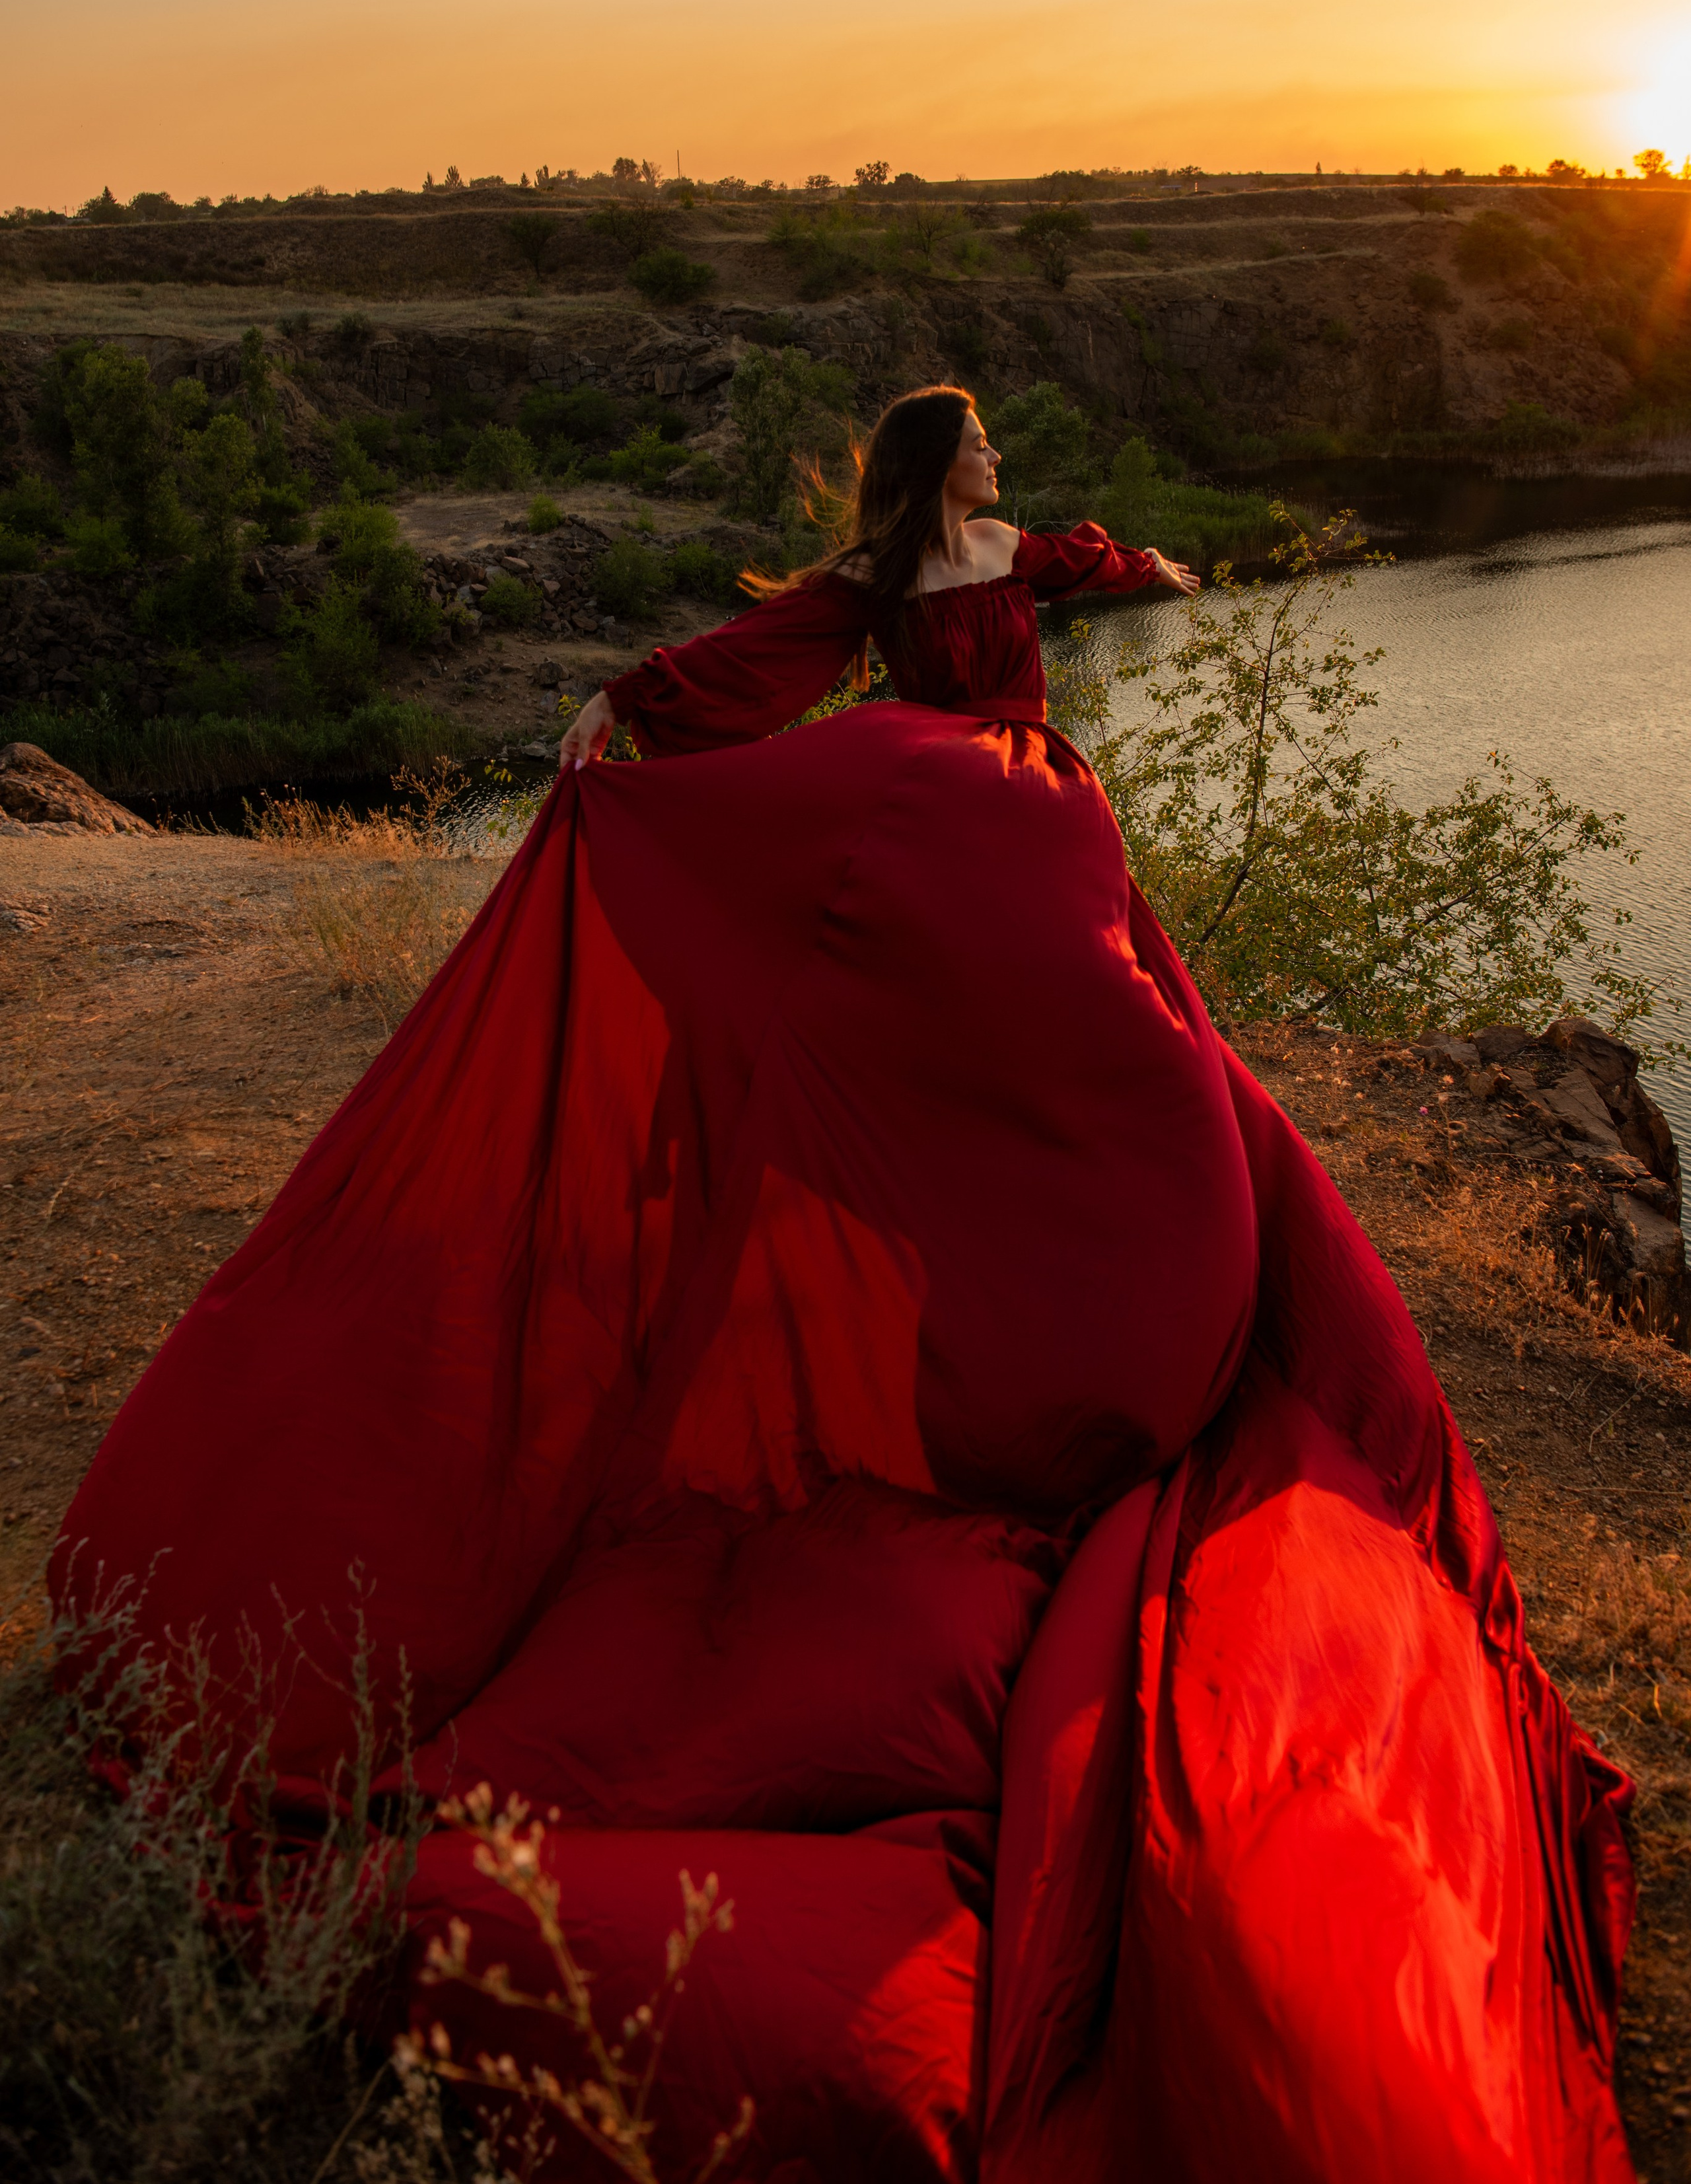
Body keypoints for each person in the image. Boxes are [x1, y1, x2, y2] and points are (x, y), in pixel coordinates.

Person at [57, 386, 1634, 2184]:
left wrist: (1168, 569)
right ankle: (1050, 1359)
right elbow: (775, 650)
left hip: (1037, 837)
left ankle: (1140, 1332)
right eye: (976, 444)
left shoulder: (1015, 549)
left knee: (1158, 1095)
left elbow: (1103, 564)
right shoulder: (885, 569)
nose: (996, 467)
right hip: (938, 835)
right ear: (933, 461)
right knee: (971, 1096)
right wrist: (631, 707)